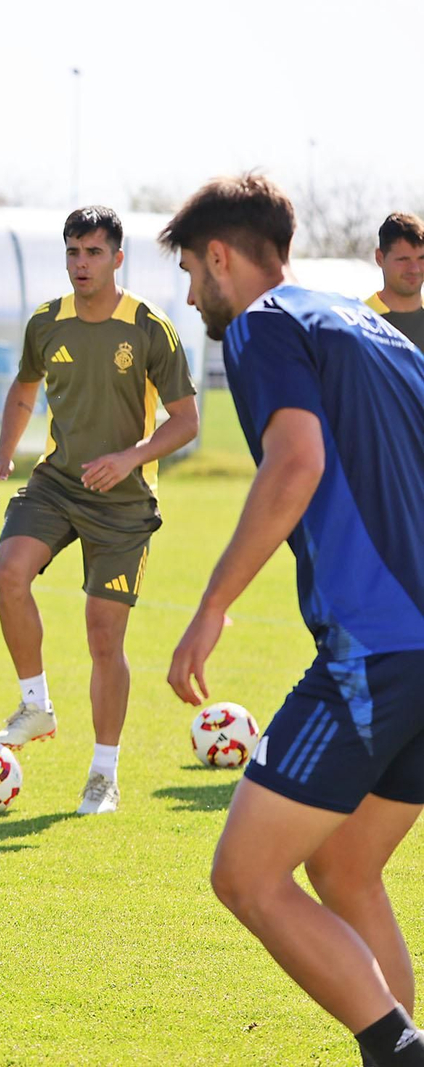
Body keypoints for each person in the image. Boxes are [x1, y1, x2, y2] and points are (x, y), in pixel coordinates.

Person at [165, 174, 424, 1067]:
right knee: (345, 867)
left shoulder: (263, 326)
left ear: (225, 258)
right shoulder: (384, 334)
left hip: (377, 647)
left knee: (245, 873)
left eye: (195, 272)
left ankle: (398, 1048)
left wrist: (210, 607)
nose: (194, 294)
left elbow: (294, 462)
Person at [0, 206, 198, 815]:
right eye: (73, 253)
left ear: (117, 258)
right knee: (8, 572)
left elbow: (187, 422)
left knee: (104, 638)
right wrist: (3, 455)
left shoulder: (151, 328)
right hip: (56, 484)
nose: (81, 264)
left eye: (93, 253)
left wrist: (131, 457)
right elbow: (25, 390)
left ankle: (103, 774)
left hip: (126, 503)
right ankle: (35, 706)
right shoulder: (46, 323)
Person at [364, 213, 424, 352]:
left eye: (422, 258)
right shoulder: (358, 322)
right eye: (403, 259)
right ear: (379, 258)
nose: (414, 269)